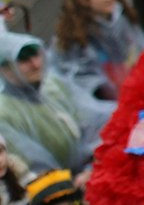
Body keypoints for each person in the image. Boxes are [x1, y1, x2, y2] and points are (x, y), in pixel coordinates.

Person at [0, 32, 104, 176]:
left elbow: (94, 117)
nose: (36, 64)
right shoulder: (4, 113)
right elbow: (34, 166)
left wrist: (94, 160)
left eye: (36, 55)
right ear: (6, 69)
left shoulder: (52, 85)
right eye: (24, 60)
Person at [48, 0, 144, 103]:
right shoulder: (74, 35)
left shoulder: (122, 16)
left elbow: (141, 45)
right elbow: (75, 76)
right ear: (84, 0)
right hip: (104, 102)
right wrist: (104, 90)